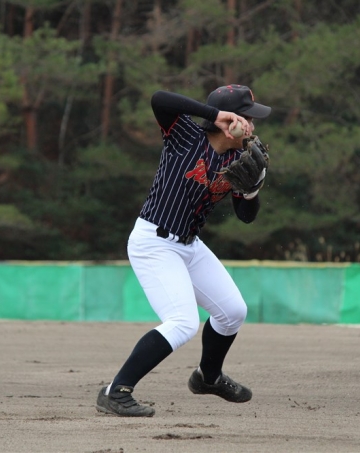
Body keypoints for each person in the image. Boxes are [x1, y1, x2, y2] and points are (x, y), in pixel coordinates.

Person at [95, 84, 272, 417]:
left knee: (233, 311)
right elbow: (159, 99)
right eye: (247, 118)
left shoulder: (239, 158)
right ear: (230, 121)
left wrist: (251, 192)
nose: (252, 125)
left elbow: (246, 217)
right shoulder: (184, 136)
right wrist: (214, 114)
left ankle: (208, 377)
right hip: (153, 242)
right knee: (182, 322)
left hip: (189, 245)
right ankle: (115, 391)